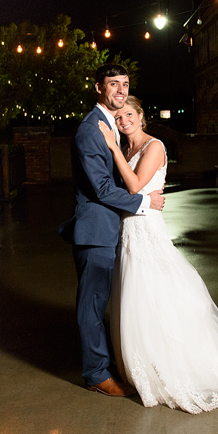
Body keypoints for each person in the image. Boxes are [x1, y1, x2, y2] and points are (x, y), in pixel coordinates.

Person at [97, 96, 218, 413]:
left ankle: (177, 365)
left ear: (141, 116)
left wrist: (112, 147)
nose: (124, 121)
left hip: (147, 229)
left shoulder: (154, 147)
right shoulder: (129, 149)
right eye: (118, 118)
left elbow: (134, 187)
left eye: (129, 114)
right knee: (137, 297)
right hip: (130, 229)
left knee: (157, 292)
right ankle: (143, 366)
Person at [59, 64, 166, 397]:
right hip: (95, 231)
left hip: (112, 229)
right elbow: (103, 189)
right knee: (92, 305)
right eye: (113, 84)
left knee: (109, 301)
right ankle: (95, 374)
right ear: (98, 88)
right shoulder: (91, 129)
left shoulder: (112, 127)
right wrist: (146, 203)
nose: (120, 90)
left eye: (125, 84)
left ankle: (118, 363)